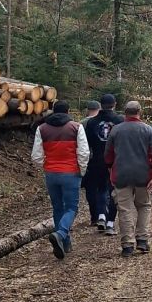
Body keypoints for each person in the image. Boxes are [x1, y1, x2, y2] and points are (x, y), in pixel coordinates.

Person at [31, 99, 90, 260]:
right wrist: (82, 170)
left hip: (51, 173)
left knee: (57, 208)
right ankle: (61, 233)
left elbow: (36, 156)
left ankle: (65, 243)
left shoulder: (42, 128)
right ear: (68, 111)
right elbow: (83, 153)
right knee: (71, 208)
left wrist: (45, 165)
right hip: (70, 172)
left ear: (53, 111)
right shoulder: (76, 127)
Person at [105, 100, 152, 257]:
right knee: (144, 206)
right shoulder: (148, 129)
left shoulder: (116, 130)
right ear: (139, 112)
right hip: (143, 174)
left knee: (124, 209)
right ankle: (142, 240)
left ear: (125, 112)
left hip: (121, 174)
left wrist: (111, 171)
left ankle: (127, 245)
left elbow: (108, 154)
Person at [83, 93, 124, 235]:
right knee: (113, 191)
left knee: (101, 189)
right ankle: (110, 222)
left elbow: (86, 144)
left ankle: (101, 215)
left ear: (101, 105)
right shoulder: (120, 120)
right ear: (115, 104)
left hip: (97, 160)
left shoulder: (92, 122)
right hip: (116, 161)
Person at [80, 101, 100, 224]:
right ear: (99, 108)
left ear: (88, 109)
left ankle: (94, 216)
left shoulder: (81, 124)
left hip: (87, 159)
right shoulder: (103, 122)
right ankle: (104, 214)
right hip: (102, 158)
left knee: (90, 189)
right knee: (103, 188)